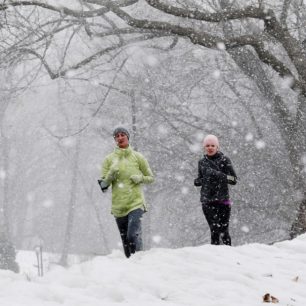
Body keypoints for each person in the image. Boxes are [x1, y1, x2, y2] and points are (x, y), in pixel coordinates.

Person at [99, 127, 154, 258]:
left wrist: (140, 178)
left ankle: (140, 260)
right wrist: (110, 176)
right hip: (119, 206)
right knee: (125, 242)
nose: (120, 138)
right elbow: (103, 186)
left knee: (132, 235)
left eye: (122, 135)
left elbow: (151, 178)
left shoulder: (138, 157)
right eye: (117, 136)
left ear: (128, 137)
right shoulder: (109, 159)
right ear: (114, 140)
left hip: (136, 203)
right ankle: (131, 267)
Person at [194, 134, 237, 246]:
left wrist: (218, 175)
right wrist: (198, 181)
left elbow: (233, 180)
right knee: (214, 229)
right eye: (207, 145)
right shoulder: (202, 162)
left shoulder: (224, 159)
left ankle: (229, 253)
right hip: (207, 200)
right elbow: (200, 179)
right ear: (204, 147)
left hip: (223, 200)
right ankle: (215, 256)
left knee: (224, 230)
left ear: (217, 147)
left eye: (213, 145)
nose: (210, 147)